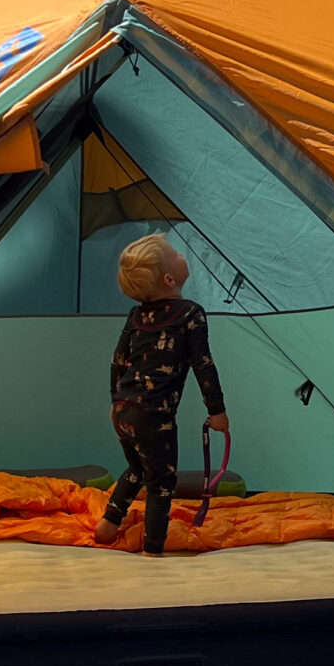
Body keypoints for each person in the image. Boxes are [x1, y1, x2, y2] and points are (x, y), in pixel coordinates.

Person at [97, 234, 229, 555]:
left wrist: (117, 401)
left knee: (138, 470)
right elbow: (203, 364)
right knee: (162, 482)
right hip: (153, 416)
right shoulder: (190, 314)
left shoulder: (136, 316)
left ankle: (108, 523)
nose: (181, 253)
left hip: (122, 410)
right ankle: (153, 550)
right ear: (170, 278)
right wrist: (217, 411)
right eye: (175, 253)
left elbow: (117, 362)